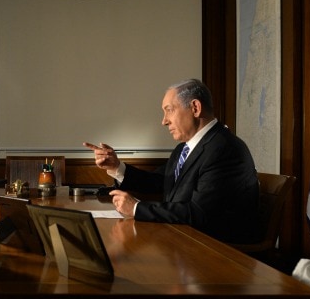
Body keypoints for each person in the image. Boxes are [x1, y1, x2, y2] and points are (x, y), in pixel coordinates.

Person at [83, 78, 260, 244]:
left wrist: (137, 208)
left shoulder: (224, 149)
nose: (164, 121)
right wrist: (117, 167)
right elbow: (159, 182)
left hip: (216, 251)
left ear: (195, 108)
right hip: (183, 238)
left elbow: (199, 214)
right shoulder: (185, 148)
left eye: (169, 110)